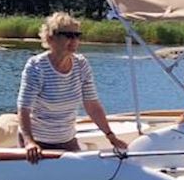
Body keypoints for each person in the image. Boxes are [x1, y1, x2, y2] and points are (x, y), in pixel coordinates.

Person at [17, 12, 128, 163]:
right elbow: (24, 108)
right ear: (50, 38)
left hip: (67, 140)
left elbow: (92, 106)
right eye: (68, 35)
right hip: (37, 145)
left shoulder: (81, 65)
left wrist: (111, 136)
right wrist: (29, 142)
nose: (74, 40)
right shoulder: (37, 66)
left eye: (77, 35)